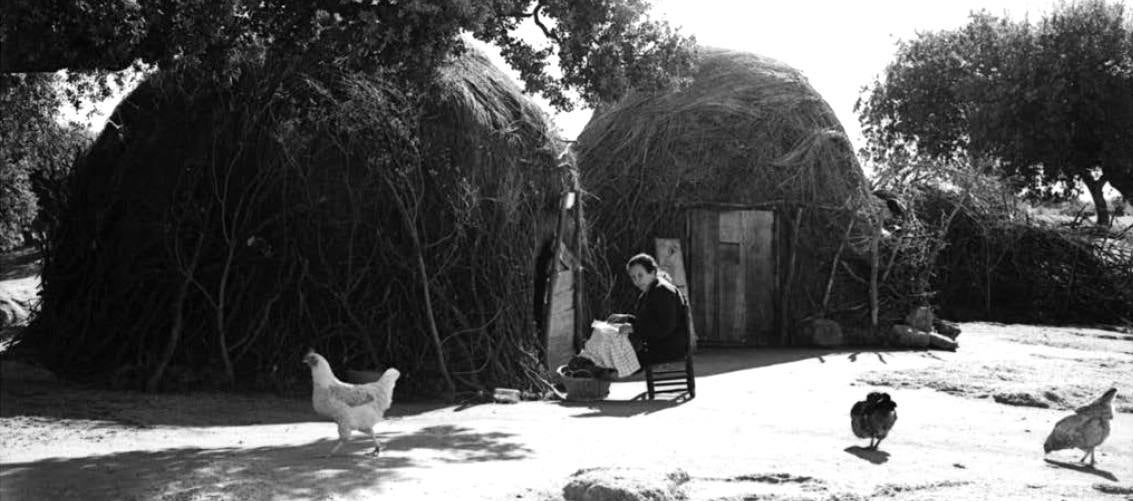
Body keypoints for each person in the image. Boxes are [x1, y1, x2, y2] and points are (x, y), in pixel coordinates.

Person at [607, 253, 690, 366]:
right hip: (657, 344)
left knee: (613, 357)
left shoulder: (663, 291)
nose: (637, 281)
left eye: (640, 275)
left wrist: (633, 328)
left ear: (653, 272)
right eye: (633, 277)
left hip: (667, 348)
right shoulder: (650, 291)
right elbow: (647, 322)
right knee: (610, 349)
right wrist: (627, 318)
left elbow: (664, 327)